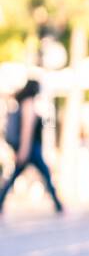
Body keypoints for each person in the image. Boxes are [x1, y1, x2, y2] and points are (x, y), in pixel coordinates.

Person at [0, 80, 63, 215]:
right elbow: (27, 130)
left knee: (17, 177)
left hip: (31, 148)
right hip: (32, 148)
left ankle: (58, 205)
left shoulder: (24, 102)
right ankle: (59, 205)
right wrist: (24, 150)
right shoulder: (29, 103)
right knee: (45, 175)